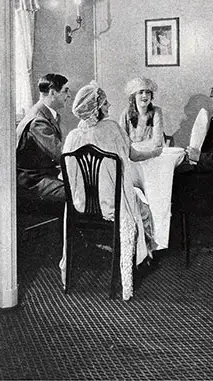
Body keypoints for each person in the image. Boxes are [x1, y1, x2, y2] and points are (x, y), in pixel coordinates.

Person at [60, 81, 155, 301]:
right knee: (144, 208)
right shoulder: (111, 129)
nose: (109, 105)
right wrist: (155, 152)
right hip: (113, 208)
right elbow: (131, 154)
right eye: (104, 102)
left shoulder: (73, 137)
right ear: (96, 107)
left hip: (80, 208)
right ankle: (139, 266)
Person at [16, 73, 70, 212]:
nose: (68, 96)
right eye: (65, 91)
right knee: (77, 193)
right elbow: (60, 154)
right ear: (52, 92)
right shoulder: (38, 120)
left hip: (42, 174)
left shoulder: (45, 113)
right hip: (32, 181)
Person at [119, 77, 164, 160]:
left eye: (148, 92)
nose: (145, 95)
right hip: (132, 157)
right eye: (140, 92)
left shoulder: (156, 112)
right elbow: (122, 140)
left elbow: (157, 141)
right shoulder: (126, 113)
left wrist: (136, 147)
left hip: (152, 156)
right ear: (134, 96)